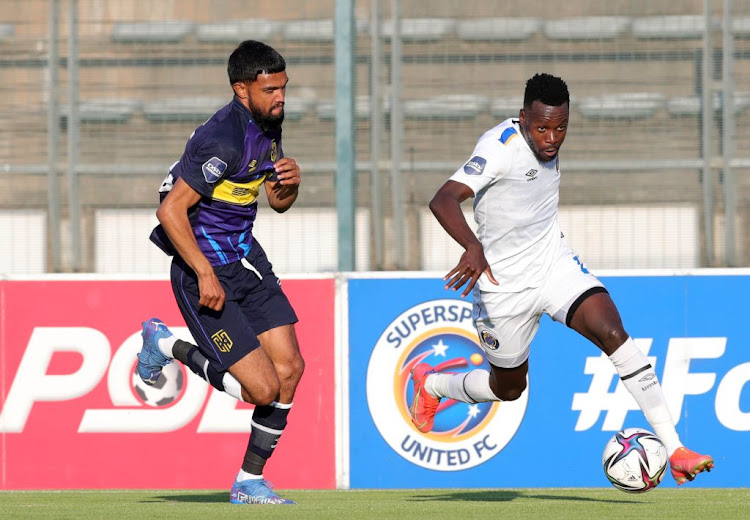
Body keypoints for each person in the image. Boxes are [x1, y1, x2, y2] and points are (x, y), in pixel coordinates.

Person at [412, 73, 713, 485]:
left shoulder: (548, 137)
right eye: (542, 128)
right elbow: (443, 198)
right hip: (503, 287)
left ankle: (675, 448)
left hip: (554, 263)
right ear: (522, 118)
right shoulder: (498, 148)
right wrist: (472, 246)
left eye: (560, 127)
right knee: (509, 389)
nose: (551, 138)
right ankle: (434, 385)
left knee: (612, 331)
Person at [135, 40, 304, 505]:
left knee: (290, 370)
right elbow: (170, 211)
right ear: (241, 90)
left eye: (284, 87)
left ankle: (249, 481)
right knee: (262, 388)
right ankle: (165, 342)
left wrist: (288, 184)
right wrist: (205, 273)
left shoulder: (268, 122)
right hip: (204, 272)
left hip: (246, 259)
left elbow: (278, 204)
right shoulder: (222, 139)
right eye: (270, 89)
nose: (281, 97)